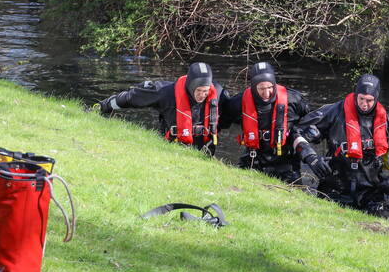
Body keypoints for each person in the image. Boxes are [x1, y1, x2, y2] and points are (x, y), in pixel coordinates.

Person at [298, 74, 389, 209]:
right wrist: (312, 158)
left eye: (369, 100)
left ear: (376, 98)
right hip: (334, 189)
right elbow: (298, 132)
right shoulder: (334, 112)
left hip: (371, 195)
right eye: (361, 99)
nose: (364, 104)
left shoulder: (388, 123)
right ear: (355, 94)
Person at [219, 61, 328, 184]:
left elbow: (310, 123)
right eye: (261, 89)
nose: (266, 93)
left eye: (270, 87)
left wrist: (309, 151)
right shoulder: (238, 103)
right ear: (253, 87)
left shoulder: (294, 100)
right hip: (253, 160)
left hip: (287, 162)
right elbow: (221, 123)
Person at [95, 62, 225, 154]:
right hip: (173, 149)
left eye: (205, 91)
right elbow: (131, 98)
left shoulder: (218, 94)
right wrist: (103, 106)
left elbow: (234, 114)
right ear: (191, 86)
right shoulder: (165, 93)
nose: (202, 95)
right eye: (199, 90)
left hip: (204, 153)